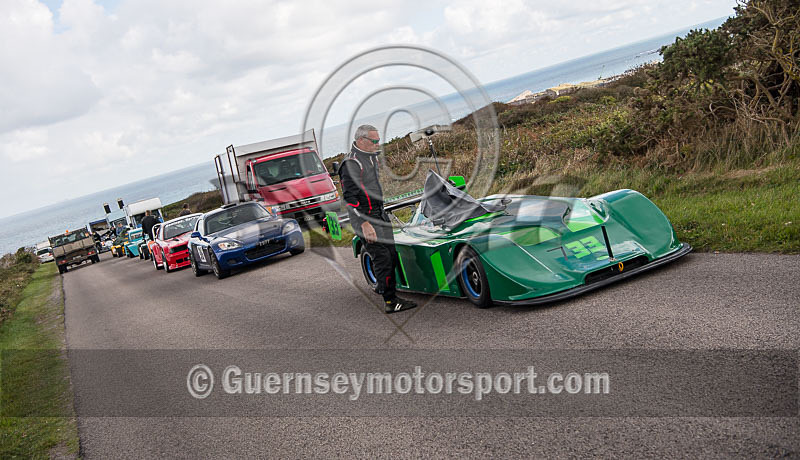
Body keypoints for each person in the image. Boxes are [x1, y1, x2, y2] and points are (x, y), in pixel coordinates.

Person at [339, 125, 418, 314]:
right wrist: (364, 224)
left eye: (378, 140)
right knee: (382, 258)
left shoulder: (371, 158)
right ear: (361, 141)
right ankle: (390, 301)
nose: (377, 144)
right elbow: (349, 199)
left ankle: (392, 293)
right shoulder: (351, 163)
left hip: (379, 213)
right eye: (374, 141)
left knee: (391, 256)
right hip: (366, 218)